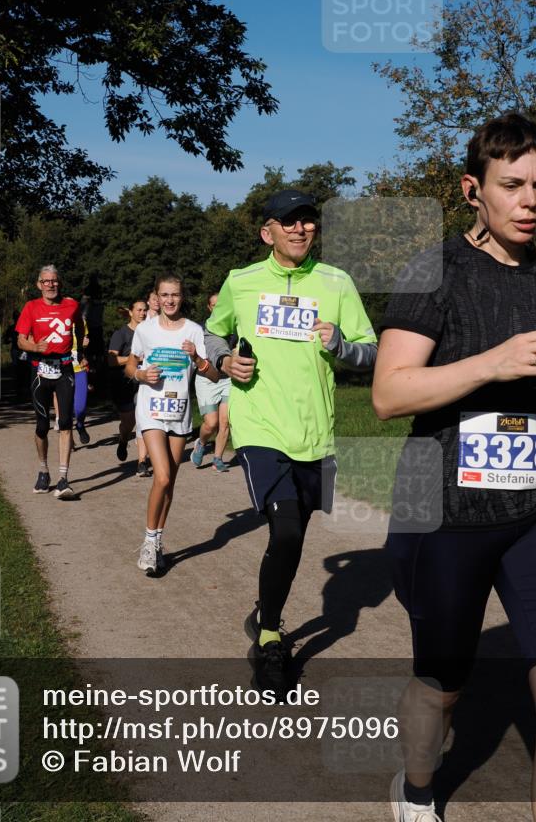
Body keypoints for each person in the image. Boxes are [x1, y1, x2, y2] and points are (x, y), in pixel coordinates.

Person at [373, 113, 536, 822]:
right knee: (441, 687)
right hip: (449, 510)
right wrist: (490, 363)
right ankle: (415, 787)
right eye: (511, 185)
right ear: (475, 189)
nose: (529, 201)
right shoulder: (434, 269)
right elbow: (389, 393)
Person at [204, 189, 377, 699]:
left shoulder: (336, 282)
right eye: (289, 222)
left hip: (314, 433)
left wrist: (339, 344)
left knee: (295, 535)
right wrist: (223, 363)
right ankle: (272, 639)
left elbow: (370, 350)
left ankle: (263, 613)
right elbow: (214, 335)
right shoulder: (242, 281)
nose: (301, 229)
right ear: (268, 232)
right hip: (260, 427)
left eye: (308, 222)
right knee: (284, 530)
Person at [125, 275, 209, 574]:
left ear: (182, 296)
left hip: (180, 413)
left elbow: (212, 374)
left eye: (175, 294)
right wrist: (139, 376)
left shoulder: (194, 330)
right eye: (165, 295)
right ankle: (148, 542)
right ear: (156, 298)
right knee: (161, 477)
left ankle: (158, 541)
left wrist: (196, 357)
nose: (170, 300)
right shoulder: (146, 330)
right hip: (150, 411)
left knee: (170, 481)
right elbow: (131, 364)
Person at [16, 264, 83, 500]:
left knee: (65, 422)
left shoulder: (72, 305)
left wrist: (81, 350)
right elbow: (20, 341)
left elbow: (80, 325)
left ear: (59, 283)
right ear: (39, 285)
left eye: (54, 281)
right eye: (46, 281)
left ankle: (64, 478)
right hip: (39, 371)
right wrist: (35, 347)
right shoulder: (31, 307)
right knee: (42, 426)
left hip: (65, 368)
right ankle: (43, 469)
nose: (51, 285)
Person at [108, 299, 151, 476]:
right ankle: (123, 439)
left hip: (145, 382)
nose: (142, 313)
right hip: (124, 382)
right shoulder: (121, 334)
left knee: (144, 420)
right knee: (129, 421)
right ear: (131, 312)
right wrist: (134, 359)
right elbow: (111, 360)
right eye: (139, 310)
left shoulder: (150, 333)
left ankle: (142, 461)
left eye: (145, 310)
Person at [191, 292, 233, 472]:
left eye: (219, 304)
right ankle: (201, 443)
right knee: (211, 423)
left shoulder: (234, 328)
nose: (217, 308)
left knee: (225, 422)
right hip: (206, 379)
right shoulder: (200, 329)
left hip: (228, 380)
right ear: (209, 308)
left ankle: (218, 458)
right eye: (213, 305)